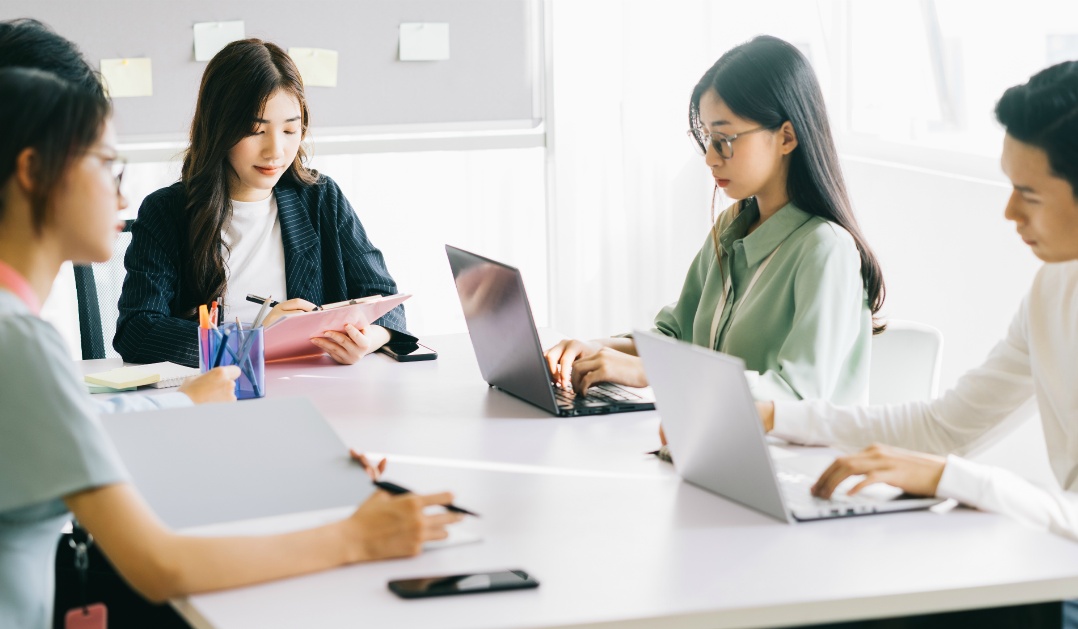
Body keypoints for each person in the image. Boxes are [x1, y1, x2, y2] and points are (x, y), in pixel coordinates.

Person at [0, 67, 460, 629]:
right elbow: (159, 565)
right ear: (32, 173)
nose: (121, 190)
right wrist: (356, 537)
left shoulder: (18, 334)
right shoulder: (21, 342)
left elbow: (92, 429)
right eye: (106, 165)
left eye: (292, 128)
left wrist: (285, 460)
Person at [754, 60, 1078, 546]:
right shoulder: (1051, 290)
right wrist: (776, 417)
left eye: (1028, 195)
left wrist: (953, 477)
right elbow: (944, 427)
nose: (1008, 212)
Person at [544, 36, 885, 406]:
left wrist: (657, 373)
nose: (709, 157)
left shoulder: (826, 250)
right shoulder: (732, 225)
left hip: (792, 459)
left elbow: (797, 397)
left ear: (787, 137)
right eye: (706, 137)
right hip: (715, 442)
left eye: (724, 138)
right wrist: (595, 349)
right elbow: (675, 336)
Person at [115, 38, 413, 367]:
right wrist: (250, 339)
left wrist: (368, 338)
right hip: (218, 395)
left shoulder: (320, 198)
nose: (275, 151)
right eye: (256, 131)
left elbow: (386, 301)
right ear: (219, 130)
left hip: (314, 387)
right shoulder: (166, 212)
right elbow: (137, 331)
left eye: (290, 130)